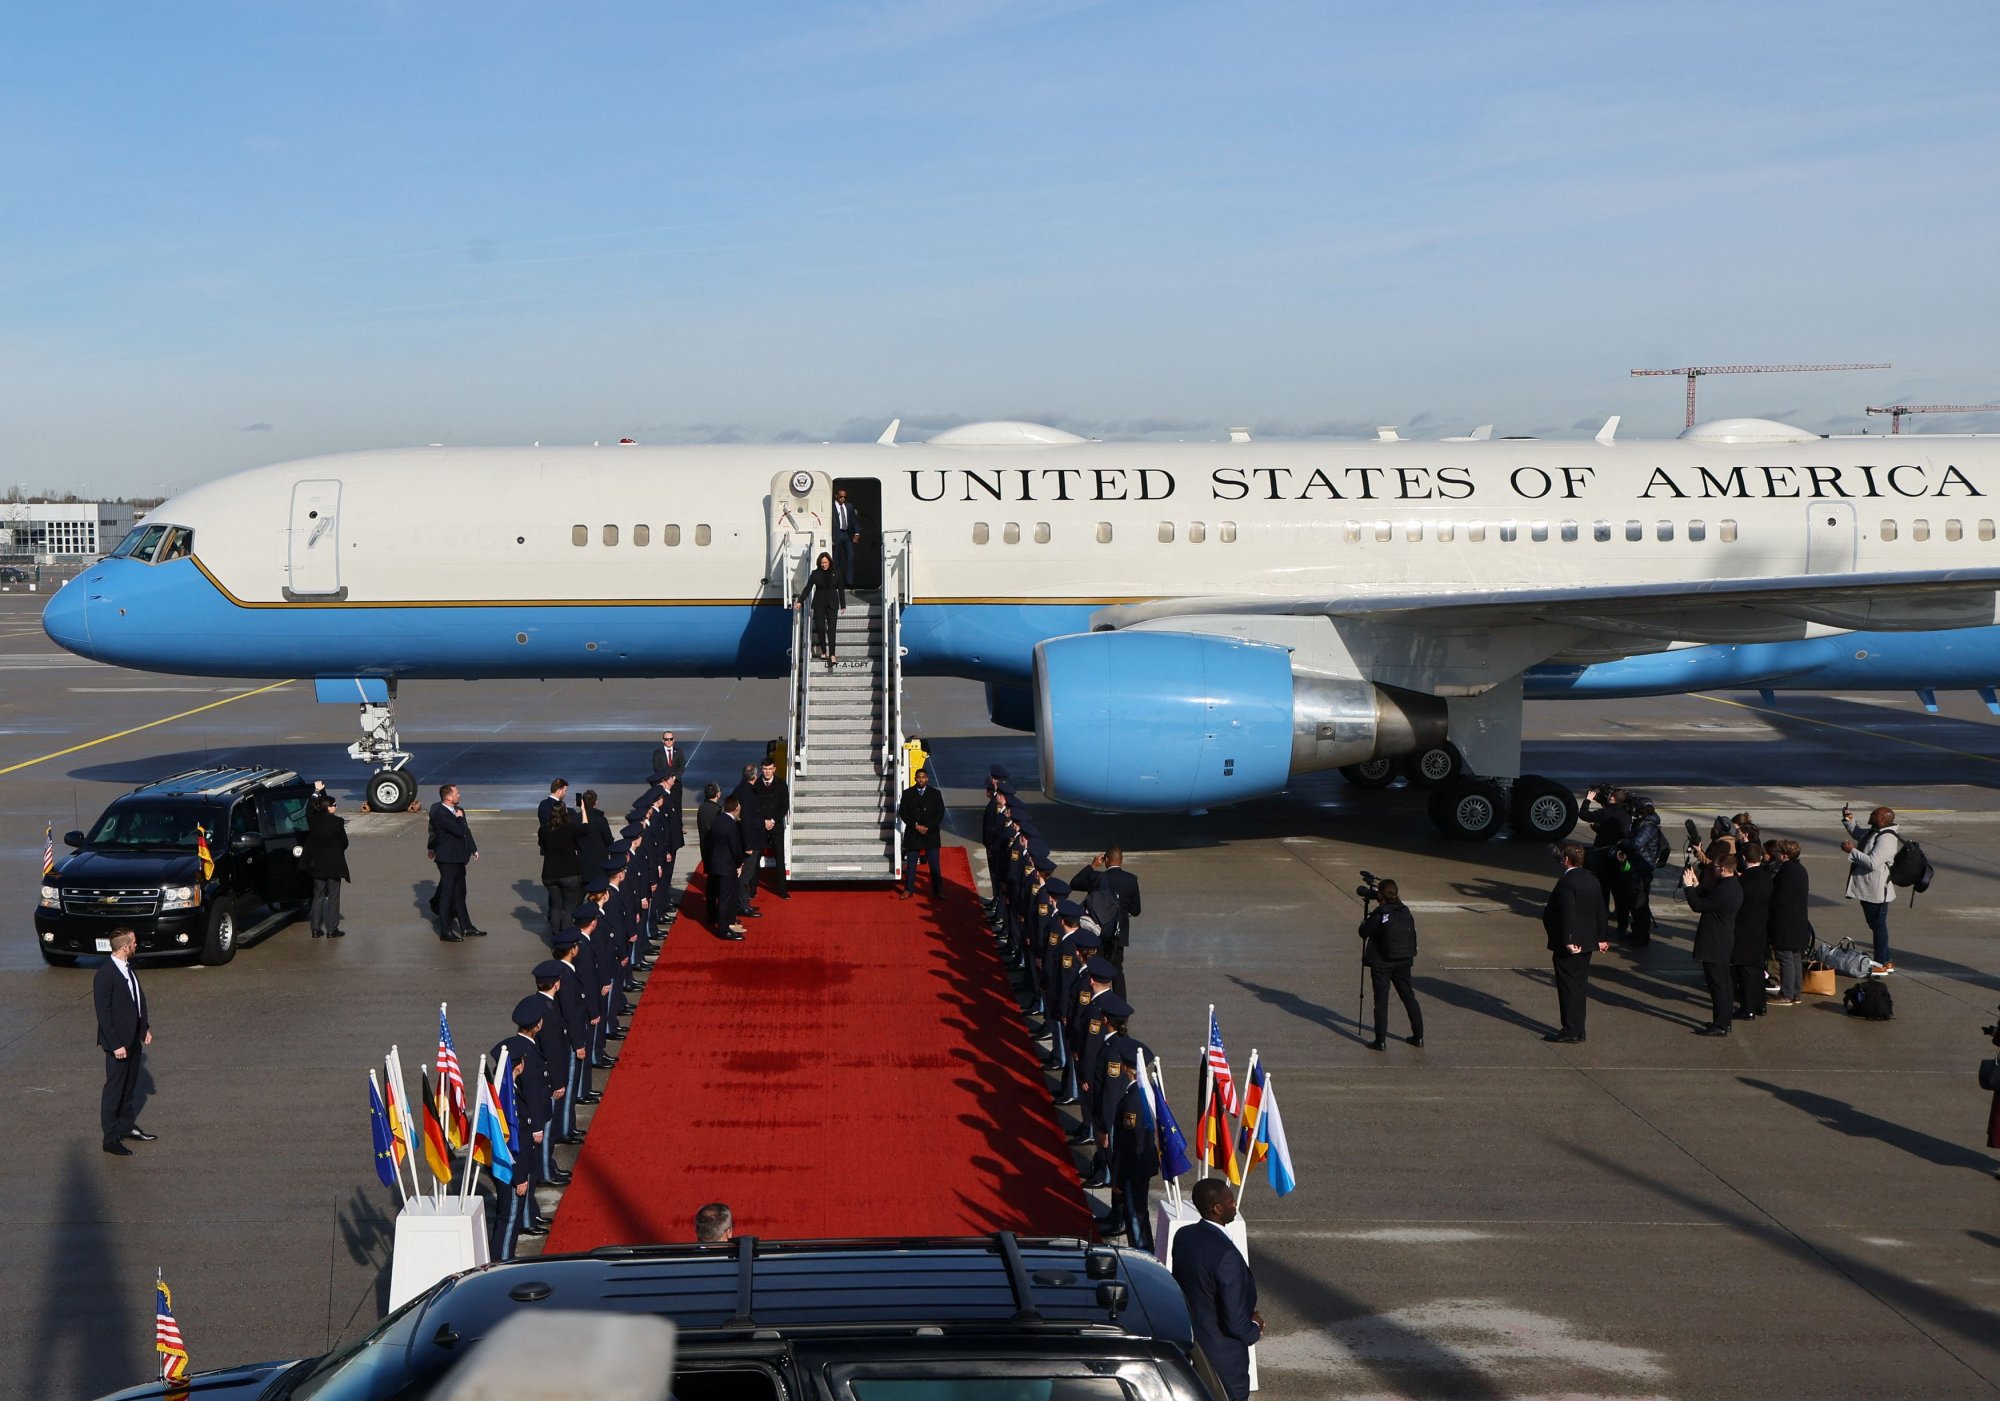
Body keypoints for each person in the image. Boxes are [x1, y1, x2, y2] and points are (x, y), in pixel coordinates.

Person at [1171, 1178, 1262, 1401]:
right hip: (1223, 1359)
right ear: (1217, 1208)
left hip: (1189, 1345)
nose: (1235, 1205)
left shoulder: (1184, 1236)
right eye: (1230, 1202)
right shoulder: (1226, 1256)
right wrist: (1255, 1327)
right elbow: (1235, 1322)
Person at [93, 927, 154, 1155]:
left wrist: (144, 1027)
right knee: (114, 1091)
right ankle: (110, 1139)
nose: (137, 945)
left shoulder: (128, 968)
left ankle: (126, 1126)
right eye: (134, 942)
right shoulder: (105, 974)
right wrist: (116, 1044)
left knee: (129, 1088)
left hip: (133, 1039)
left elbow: (138, 999)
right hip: (118, 1044)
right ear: (125, 947)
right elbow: (104, 1014)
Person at [1542, 843, 1608, 1044]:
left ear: (1567, 860)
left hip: (1571, 944)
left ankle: (1570, 1029)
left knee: (1567, 987)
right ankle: (1579, 1029)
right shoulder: (1592, 879)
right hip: (1588, 942)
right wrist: (1602, 937)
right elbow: (1600, 910)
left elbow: (1568, 913)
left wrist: (1569, 940)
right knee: (1579, 986)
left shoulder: (1566, 883)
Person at [1682, 842, 1744, 1037]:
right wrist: (1698, 885)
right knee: (1722, 984)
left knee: (1718, 985)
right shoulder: (1730, 885)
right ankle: (1723, 1020)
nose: (1714, 869)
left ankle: (1721, 1024)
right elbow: (1710, 897)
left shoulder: (1725, 889)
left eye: (1716, 867)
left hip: (1715, 942)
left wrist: (1688, 888)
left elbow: (1698, 906)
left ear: (1723, 869)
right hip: (1722, 940)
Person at [1358, 878, 1423, 1050]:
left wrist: (1367, 919)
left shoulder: (1380, 914)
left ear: (1380, 895)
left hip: (1382, 963)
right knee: (1409, 998)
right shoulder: (1405, 910)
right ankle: (1418, 1037)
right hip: (1403, 961)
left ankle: (1380, 1041)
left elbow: (1363, 932)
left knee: (1381, 1001)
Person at [1841, 803, 1901, 974]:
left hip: (1876, 890)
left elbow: (1873, 863)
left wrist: (1852, 851)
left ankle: (1881, 963)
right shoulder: (1875, 831)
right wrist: (1848, 820)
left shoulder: (1887, 838)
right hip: (1869, 888)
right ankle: (1887, 961)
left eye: (1874, 814)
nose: (1871, 815)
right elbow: (1860, 834)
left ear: (1882, 819)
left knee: (1878, 926)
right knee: (1876, 924)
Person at [1071, 847, 1142, 969]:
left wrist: (1092, 866)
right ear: (1121, 860)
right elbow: (1136, 910)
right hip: (1119, 932)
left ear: (1106, 860)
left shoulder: (1098, 878)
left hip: (1099, 929)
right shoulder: (1131, 880)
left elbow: (1074, 883)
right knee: (1117, 970)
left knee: (1097, 967)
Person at [426, 783, 481, 940]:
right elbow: (459, 830)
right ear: (448, 797)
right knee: (447, 895)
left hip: (458, 858)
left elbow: (466, 832)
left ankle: (466, 927)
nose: (459, 795)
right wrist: (460, 820)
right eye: (457, 793)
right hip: (447, 859)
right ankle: (446, 930)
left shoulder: (459, 811)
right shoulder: (441, 813)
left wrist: (473, 848)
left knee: (460, 894)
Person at [1732, 830, 1773, 1020]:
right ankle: (1760, 1004)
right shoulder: (1766, 877)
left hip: (1744, 931)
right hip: (1761, 930)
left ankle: (1747, 1008)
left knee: (1745, 971)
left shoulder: (1743, 881)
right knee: (1758, 970)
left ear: (1743, 858)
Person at [1768, 839, 1813, 1005]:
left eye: (1778, 852)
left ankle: (1786, 994)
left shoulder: (1786, 871)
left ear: (1784, 855)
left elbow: (1780, 898)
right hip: (1798, 921)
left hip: (1785, 921)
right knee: (1794, 957)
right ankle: (1795, 992)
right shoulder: (1800, 869)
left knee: (1785, 957)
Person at [302, 790, 349, 939]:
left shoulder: (313, 820)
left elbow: (309, 808)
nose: (335, 806)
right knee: (334, 896)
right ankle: (332, 929)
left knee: (318, 896)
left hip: (318, 864)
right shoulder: (337, 822)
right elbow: (344, 843)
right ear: (329, 807)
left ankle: (315, 928)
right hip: (334, 865)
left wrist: (317, 792)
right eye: (334, 805)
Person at [897, 766, 946, 899]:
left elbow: (939, 813)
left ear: (927, 778)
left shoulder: (935, 793)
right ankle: (909, 889)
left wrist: (928, 827)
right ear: (915, 778)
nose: (921, 780)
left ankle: (938, 890)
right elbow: (903, 812)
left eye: (923, 777)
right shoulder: (907, 793)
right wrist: (915, 826)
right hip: (913, 834)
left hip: (931, 834)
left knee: (934, 865)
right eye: (919, 777)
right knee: (911, 865)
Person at [704, 794, 748, 939]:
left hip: (716, 864)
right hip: (727, 867)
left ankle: (728, 921)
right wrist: (739, 863)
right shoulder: (731, 826)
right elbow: (735, 848)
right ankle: (723, 930)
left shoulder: (717, 821)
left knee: (724, 896)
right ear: (735, 809)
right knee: (726, 898)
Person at [539, 801, 584, 938]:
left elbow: (543, 846)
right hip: (569, 873)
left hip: (549, 873)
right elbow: (585, 829)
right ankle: (565, 936)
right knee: (570, 906)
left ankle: (556, 935)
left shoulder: (544, 830)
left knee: (555, 906)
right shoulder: (570, 827)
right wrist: (584, 811)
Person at [798, 551, 843, 665]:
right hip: (819, 603)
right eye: (822, 563)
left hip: (832, 603)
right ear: (819, 563)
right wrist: (800, 601)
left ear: (829, 562)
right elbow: (808, 588)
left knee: (831, 629)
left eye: (826, 562)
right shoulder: (815, 574)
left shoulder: (836, 572)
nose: (824, 565)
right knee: (820, 627)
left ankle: (832, 654)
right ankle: (824, 650)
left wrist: (843, 604)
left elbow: (841, 589)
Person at [831, 485, 860, 587]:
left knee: (851, 556)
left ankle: (849, 581)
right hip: (837, 534)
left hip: (847, 534)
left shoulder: (849, 506)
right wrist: (830, 537)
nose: (842, 499)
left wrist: (857, 533)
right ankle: (836, 581)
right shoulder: (831, 507)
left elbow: (854, 520)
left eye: (844, 497)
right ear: (836, 496)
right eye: (840, 497)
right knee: (836, 559)